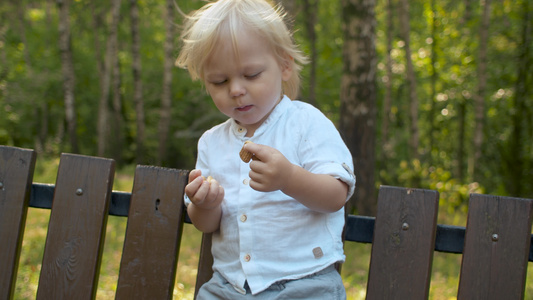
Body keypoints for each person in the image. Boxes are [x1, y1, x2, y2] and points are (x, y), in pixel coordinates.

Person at [176, 0, 355, 298]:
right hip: (229, 286)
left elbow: (336, 196)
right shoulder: (211, 142)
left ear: (284, 65)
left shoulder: (306, 123)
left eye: (251, 75)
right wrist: (205, 204)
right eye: (219, 81)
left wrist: (288, 178)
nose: (235, 90)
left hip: (305, 283)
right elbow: (207, 225)